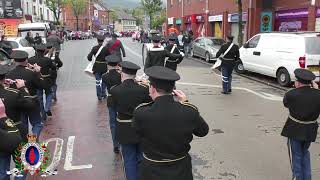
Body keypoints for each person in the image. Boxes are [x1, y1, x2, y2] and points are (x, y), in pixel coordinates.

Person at [133, 66, 209, 180]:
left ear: (152, 88)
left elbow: (136, 134)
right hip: (180, 170)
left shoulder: (141, 112)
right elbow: (203, 131)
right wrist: (185, 102)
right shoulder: (189, 111)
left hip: (152, 170)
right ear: (173, 90)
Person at [110, 61, 151, 180]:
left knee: (128, 159)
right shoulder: (143, 89)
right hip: (141, 128)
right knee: (141, 157)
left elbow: (112, 109)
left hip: (124, 129)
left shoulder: (115, 90)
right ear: (135, 76)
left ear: (122, 75)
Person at [281, 68, 320, 180]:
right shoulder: (318, 95)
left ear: (297, 81)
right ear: (311, 82)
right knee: (305, 153)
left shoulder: (291, 94)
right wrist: (317, 89)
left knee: (297, 155)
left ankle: (298, 178)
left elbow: (286, 104)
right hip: (310, 130)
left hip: (295, 129)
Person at [6, 50, 44, 139]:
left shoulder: (9, 74)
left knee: (23, 125)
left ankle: (26, 144)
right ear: (26, 60)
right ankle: (33, 140)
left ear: (14, 61)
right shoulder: (31, 73)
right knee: (37, 123)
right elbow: (41, 86)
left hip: (18, 103)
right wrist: (38, 72)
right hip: (32, 101)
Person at [28, 44, 57, 120]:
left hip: (36, 80)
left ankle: (43, 115)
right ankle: (47, 108)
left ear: (36, 51)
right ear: (44, 51)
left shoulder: (30, 60)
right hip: (46, 79)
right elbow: (53, 67)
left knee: (39, 98)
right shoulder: (47, 60)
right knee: (49, 93)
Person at [102, 55, 122, 153]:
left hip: (111, 99)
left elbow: (104, 88)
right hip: (120, 99)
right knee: (122, 120)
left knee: (113, 123)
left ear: (108, 65)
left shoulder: (104, 76)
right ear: (117, 65)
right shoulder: (120, 75)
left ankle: (115, 144)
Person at [87, 35, 111, 100]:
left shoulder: (94, 48)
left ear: (97, 41)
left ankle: (99, 95)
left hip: (97, 67)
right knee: (104, 81)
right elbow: (110, 58)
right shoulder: (106, 49)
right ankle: (104, 93)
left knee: (98, 82)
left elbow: (89, 58)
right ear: (103, 41)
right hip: (104, 67)